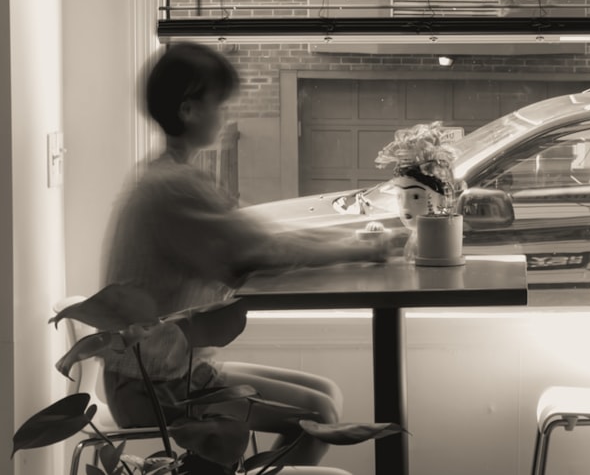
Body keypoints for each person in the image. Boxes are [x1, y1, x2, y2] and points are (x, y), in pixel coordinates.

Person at [100, 41, 389, 466]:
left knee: (327, 397)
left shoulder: (165, 176)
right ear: (188, 110)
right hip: (152, 385)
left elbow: (252, 238)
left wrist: (354, 244)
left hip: (165, 373)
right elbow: (262, 248)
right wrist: (359, 248)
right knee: (319, 414)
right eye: (219, 103)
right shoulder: (174, 188)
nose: (225, 115)